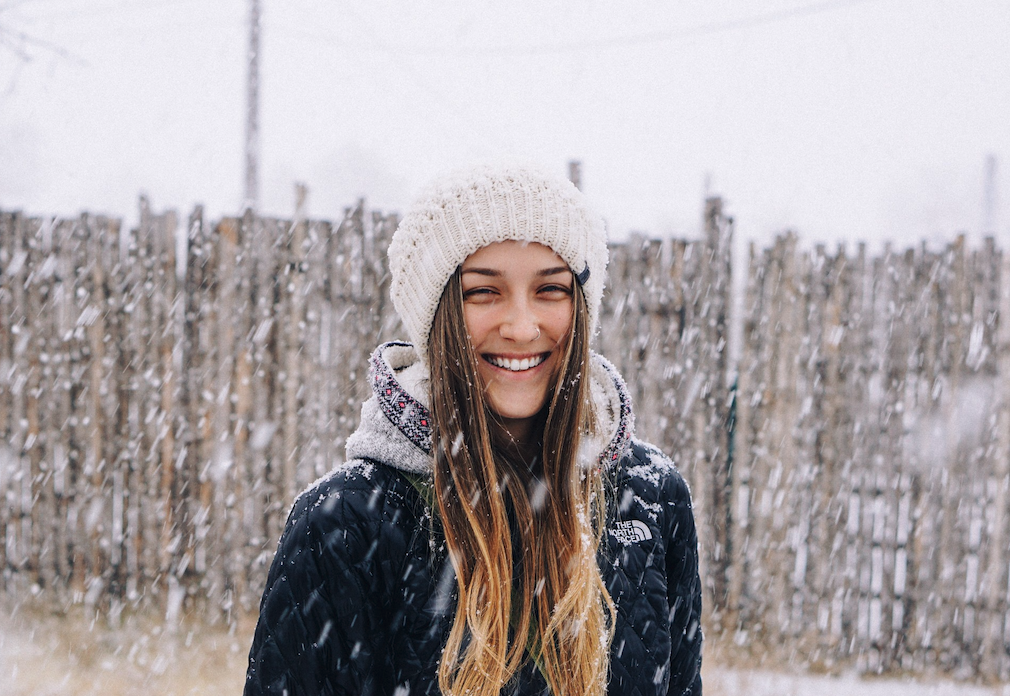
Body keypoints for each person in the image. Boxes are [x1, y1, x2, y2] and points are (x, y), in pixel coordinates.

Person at [244, 165, 703, 696]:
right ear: (437, 315)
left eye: (550, 289)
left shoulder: (649, 499)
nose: (522, 325)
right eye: (484, 292)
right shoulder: (346, 525)